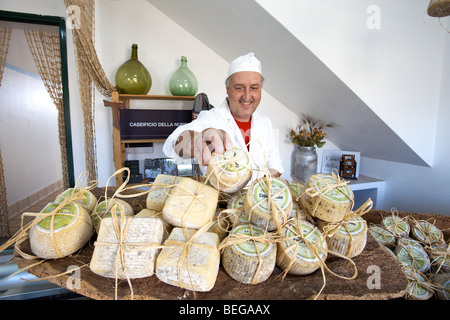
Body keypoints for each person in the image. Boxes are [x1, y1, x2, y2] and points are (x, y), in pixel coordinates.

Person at [162, 52, 283, 178]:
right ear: (227, 88)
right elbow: (174, 141)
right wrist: (193, 141)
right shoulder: (211, 118)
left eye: (254, 88)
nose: (247, 96)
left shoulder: (265, 122)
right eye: (239, 88)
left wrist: (262, 186)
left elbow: (275, 164)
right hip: (222, 197)